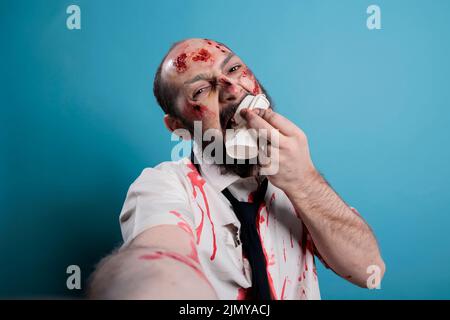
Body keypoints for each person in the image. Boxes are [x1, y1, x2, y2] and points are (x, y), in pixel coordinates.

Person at [88, 38, 385, 300]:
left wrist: (304, 181)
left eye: (233, 69)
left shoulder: (296, 183)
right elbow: (160, 261)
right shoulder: (163, 187)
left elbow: (368, 272)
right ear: (178, 127)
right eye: (202, 89)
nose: (231, 88)